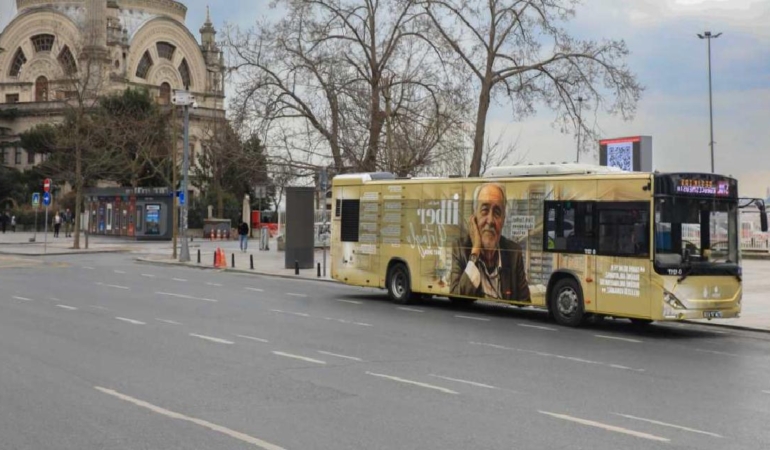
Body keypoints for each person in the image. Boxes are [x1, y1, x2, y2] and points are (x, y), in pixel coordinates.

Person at [450, 182, 530, 301]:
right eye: (485, 210)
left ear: (503, 220)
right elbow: (456, 298)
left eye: (497, 212)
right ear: (474, 217)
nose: (490, 220)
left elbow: (525, 303)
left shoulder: (514, 253)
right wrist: (475, 251)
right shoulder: (460, 248)